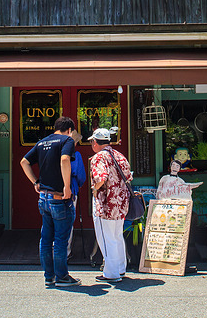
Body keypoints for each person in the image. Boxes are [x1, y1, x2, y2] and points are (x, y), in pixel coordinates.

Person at [20, 116, 80, 288]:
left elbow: (24, 162)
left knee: (46, 239)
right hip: (59, 197)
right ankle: (62, 277)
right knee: (61, 239)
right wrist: (67, 186)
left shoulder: (42, 142)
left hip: (43, 197)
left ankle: (49, 276)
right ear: (69, 130)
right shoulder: (67, 141)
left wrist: (35, 182)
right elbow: (64, 160)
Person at [89, 126, 131, 284]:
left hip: (106, 204)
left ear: (95, 142)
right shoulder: (119, 155)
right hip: (120, 204)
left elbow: (101, 177)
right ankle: (120, 268)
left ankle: (111, 273)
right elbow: (128, 176)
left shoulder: (99, 157)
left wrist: (94, 189)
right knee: (117, 237)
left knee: (106, 239)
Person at [67, 129, 87, 259]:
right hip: (71, 189)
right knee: (68, 221)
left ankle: (52, 251)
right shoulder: (76, 155)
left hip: (52, 190)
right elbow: (81, 176)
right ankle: (66, 251)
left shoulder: (54, 153)